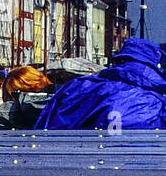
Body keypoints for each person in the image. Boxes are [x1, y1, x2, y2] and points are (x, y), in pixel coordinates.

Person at [35, 38, 166, 130]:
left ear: (118, 60)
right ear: (153, 66)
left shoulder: (77, 87)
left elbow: (47, 126)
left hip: (78, 163)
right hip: (143, 165)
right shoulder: (158, 100)